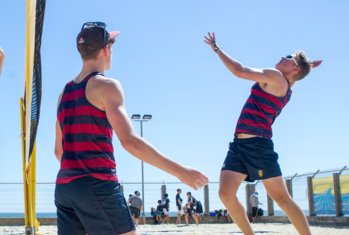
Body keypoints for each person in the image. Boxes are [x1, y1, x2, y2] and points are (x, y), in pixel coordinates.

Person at [54, 21, 208, 235]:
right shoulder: (106, 86)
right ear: (106, 50)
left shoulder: (64, 93)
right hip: (97, 182)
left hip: (64, 188)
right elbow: (130, 141)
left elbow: (58, 151)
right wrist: (181, 172)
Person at [204, 32, 321, 235]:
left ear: (293, 69)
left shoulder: (276, 77)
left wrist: (216, 48)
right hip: (239, 145)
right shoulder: (286, 86)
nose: (282, 57)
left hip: (258, 145)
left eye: (288, 57)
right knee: (226, 193)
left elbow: (238, 71)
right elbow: (296, 77)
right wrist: (308, 66)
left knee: (281, 198)